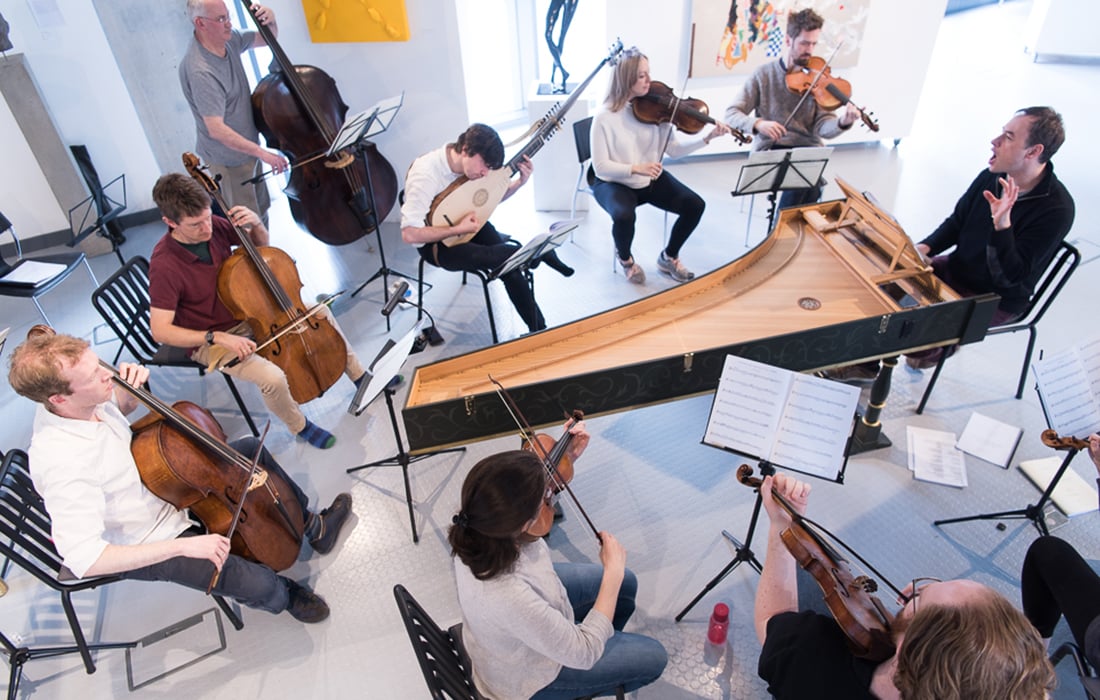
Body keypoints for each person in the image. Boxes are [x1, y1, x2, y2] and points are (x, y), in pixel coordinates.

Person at [7, 331, 353, 623]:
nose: (105, 374)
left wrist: (127, 397)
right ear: (58, 398)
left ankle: (312, 526)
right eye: (93, 376)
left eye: (98, 363)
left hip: (160, 486)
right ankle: (284, 595)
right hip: (149, 538)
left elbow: (115, 422)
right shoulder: (60, 463)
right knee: (251, 581)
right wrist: (184, 545)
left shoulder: (79, 397)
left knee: (248, 450)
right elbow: (86, 559)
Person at [756, 472, 1054, 699]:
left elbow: (771, 621)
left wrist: (781, 526)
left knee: (811, 584)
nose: (909, 590)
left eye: (919, 601)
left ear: (907, 653)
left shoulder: (811, 654)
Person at [149, 172, 368, 449]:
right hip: (213, 336)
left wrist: (256, 224)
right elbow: (160, 330)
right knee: (272, 377)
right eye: (195, 225)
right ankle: (299, 426)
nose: (207, 228)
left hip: (252, 312)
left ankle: (360, 376)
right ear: (169, 223)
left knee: (319, 313)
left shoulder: (213, 224)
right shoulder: (165, 265)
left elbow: (261, 250)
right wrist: (216, 337)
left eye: (207, 217)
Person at [448, 445, 667, 699]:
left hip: (533, 605)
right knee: (654, 657)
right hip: (529, 676)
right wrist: (612, 574)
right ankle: (597, 646)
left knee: (626, 585)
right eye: (544, 499)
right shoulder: (508, 595)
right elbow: (583, 653)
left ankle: (601, 636)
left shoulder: (479, 526)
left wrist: (566, 460)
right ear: (522, 523)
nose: (549, 499)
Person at [904, 106, 1075, 370]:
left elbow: (1009, 277)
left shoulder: (1057, 209)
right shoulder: (991, 175)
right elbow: (957, 222)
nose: (995, 142)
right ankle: (862, 366)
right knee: (886, 284)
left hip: (995, 298)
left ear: (1033, 151)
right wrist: (923, 248)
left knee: (913, 332)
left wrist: (1002, 226)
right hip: (958, 269)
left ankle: (933, 346)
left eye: (1008, 136)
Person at [401, 124, 572, 335]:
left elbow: (486, 203)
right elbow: (409, 234)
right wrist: (456, 229)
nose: (485, 173)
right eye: (484, 166)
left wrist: (519, 183)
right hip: (437, 246)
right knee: (500, 255)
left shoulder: (472, 168)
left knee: (509, 265)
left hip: (466, 226)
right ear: (465, 149)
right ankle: (538, 252)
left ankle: (538, 329)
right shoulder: (426, 173)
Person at [590, 47, 732, 285]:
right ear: (626, 79)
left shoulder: (657, 110)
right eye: (642, 75)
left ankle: (669, 257)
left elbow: (675, 150)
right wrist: (636, 168)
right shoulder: (604, 117)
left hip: (649, 178)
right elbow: (601, 167)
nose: (649, 80)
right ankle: (626, 259)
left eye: (649, 73)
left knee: (695, 205)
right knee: (624, 216)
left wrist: (707, 139)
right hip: (614, 181)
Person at [724, 8, 859, 209]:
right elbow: (731, 113)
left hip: (807, 148)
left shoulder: (818, 78)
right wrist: (759, 124)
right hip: (772, 147)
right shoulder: (764, 75)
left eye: (814, 43)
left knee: (807, 181)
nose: (810, 50)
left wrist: (843, 122)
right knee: (802, 184)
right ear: (788, 40)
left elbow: (823, 128)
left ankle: (784, 231)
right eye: (804, 43)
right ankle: (783, 231)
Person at [180, 0, 288, 224]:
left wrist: (271, 19)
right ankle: (260, 259)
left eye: (228, 16)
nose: (229, 24)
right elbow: (216, 130)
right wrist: (263, 153)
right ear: (200, 23)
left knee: (261, 212)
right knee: (248, 223)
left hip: (248, 149)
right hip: (229, 160)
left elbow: (268, 38)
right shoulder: (201, 72)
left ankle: (269, 257)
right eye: (221, 19)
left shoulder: (228, 40)